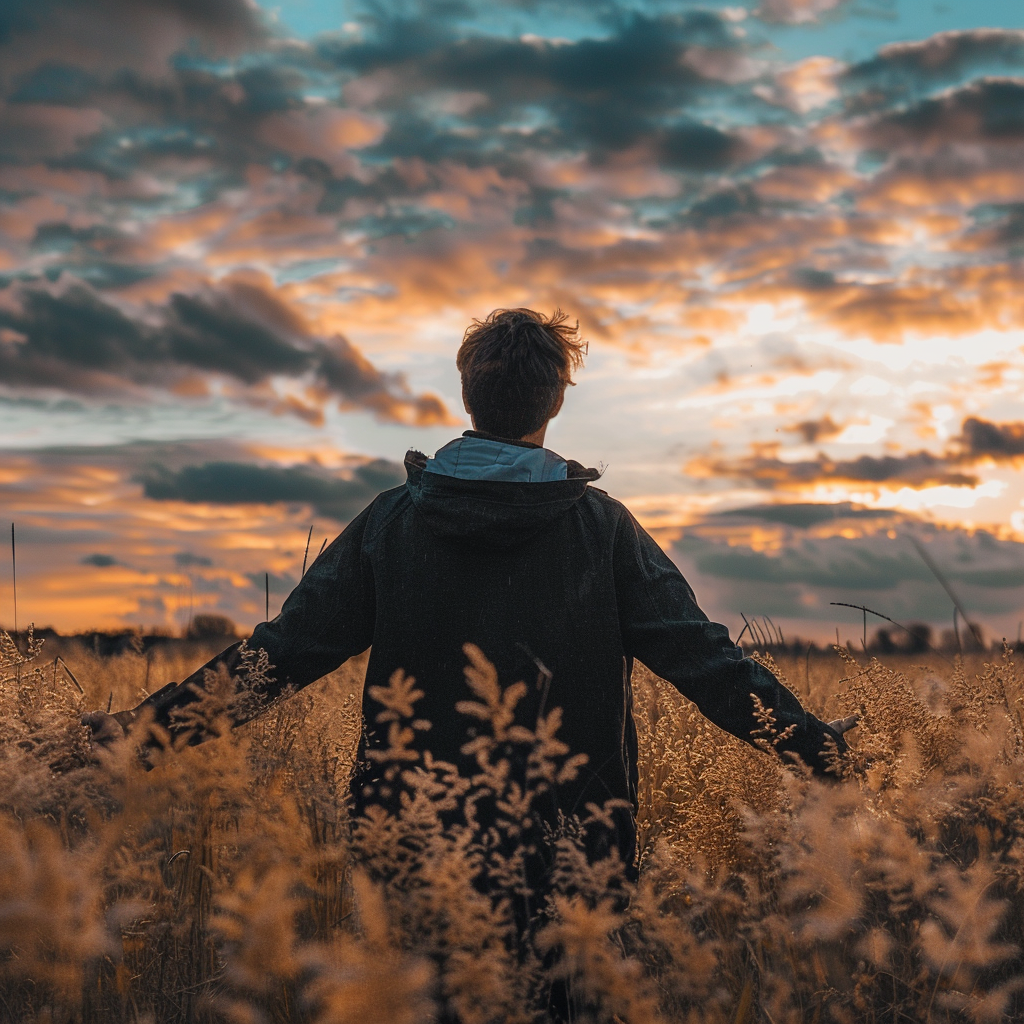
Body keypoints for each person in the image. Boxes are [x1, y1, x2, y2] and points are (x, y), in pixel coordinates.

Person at [84, 307, 856, 881]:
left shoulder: (391, 523)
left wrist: (137, 735)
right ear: (555, 401)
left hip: (408, 839)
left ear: (467, 395)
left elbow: (277, 657)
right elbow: (705, 662)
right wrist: (826, 751)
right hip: (572, 846)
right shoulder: (602, 528)